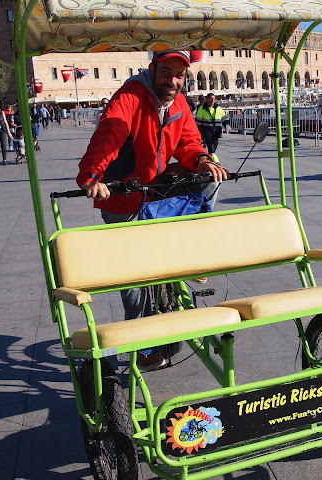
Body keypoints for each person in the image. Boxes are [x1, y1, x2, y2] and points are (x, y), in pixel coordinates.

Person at [76, 50, 227, 371]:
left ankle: (191, 256)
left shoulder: (181, 103)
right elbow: (110, 133)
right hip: (122, 194)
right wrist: (92, 175)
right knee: (132, 275)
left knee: (209, 180)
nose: (173, 81)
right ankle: (140, 344)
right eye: (167, 71)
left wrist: (202, 159)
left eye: (180, 75)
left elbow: (189, 140)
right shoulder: (131, 95)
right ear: (153, 68)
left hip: (157, 187)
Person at [195, 93, 230, 162]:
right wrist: (198, 133)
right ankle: (216, 162)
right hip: (207, 130)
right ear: (207, 99)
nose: (212, 100)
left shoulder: (218, 108)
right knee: (211, 147)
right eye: (211, 98)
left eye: (214, 99)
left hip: (217, 130)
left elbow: (224, 117)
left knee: (214, 146)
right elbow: (198, 122)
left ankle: (210, 158)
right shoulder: (202, 109)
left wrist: (227, 125)